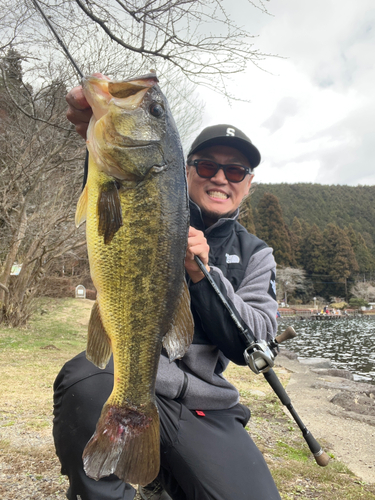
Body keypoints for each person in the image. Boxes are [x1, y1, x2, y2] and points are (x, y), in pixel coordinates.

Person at [53, 82, 281, 500]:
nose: (219, 178)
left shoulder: (256, 253)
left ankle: (165, 477)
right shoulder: (144, 189)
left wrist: (205, 275)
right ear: (183, 167)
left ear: (248, 184)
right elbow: (110, 198)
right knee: (84, 382)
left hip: (203, 405)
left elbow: (258, 340)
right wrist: (94, 132)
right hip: (129, 377)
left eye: (235, 171)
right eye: (206, 165)